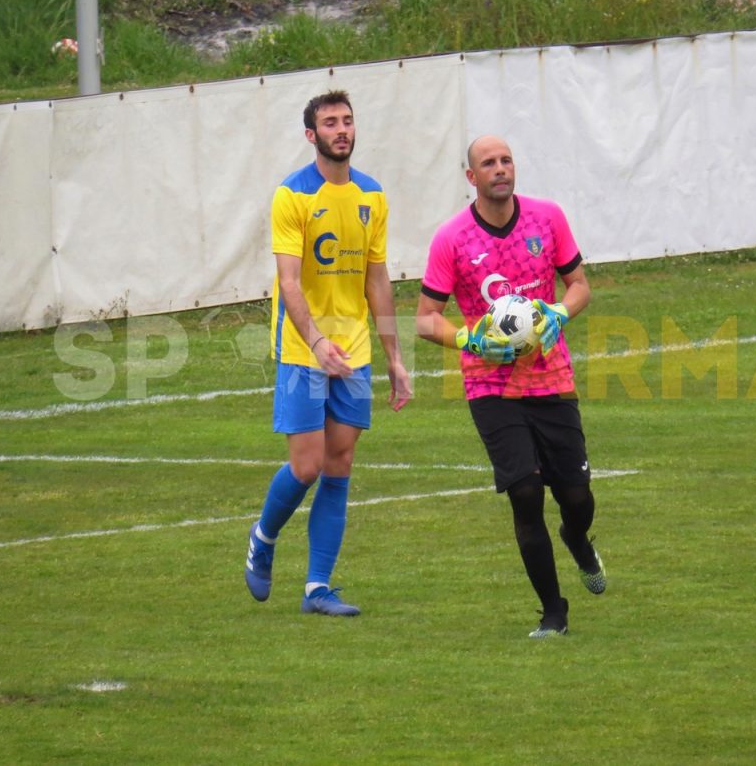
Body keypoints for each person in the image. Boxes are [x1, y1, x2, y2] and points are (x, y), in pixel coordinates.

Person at [415, 135, 605, 638]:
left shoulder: (547, 218)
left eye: (506, 160)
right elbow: (424, 319)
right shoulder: (451, 239)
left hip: (551, 377)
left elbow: (580, 284)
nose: (500, 169)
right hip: (489, 385)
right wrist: (469, 339)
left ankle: (577, 538)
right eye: (488, 163)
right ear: (471, 177)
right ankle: (553, 613)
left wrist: (560, 313)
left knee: (577, 497)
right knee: (524, 491)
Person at [244, 90, 412, 617]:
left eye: (347, 121)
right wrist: (316, 342)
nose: (342, 129)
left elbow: (377, 278)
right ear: (311, 135)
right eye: (330, 123)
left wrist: (393, 356)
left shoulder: (373, 196)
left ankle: (318, 588)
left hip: (354, 348)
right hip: (302, 347)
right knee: (308, 465)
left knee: (339, 464)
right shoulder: (291, 196)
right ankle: (264, 536)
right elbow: (288, 281)